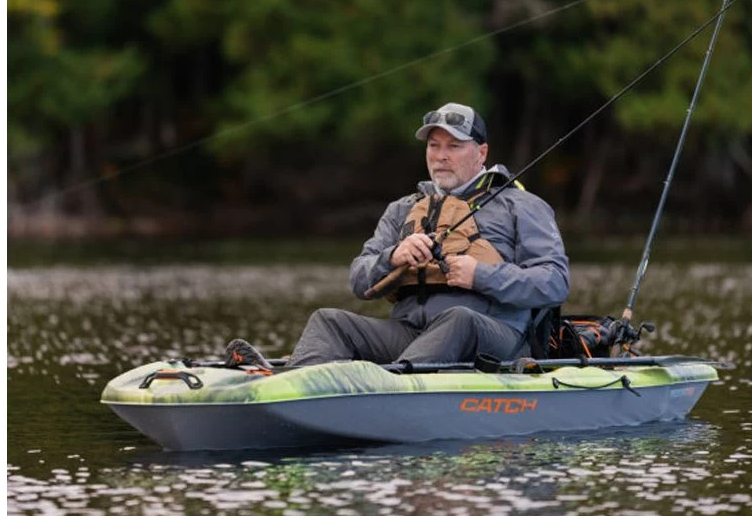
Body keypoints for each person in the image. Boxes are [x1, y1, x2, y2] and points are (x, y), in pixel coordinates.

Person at [226, 103, 569, 371]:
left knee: (458, 319)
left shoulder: (521, 205)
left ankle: (390, 388)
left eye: (454, 146)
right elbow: (359, 279)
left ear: (481, 153)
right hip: (410, 335)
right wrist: (393, 256)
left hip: (496, 339)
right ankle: (294, 383)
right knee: (328, 321)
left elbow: (555, 282)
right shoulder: (403, 208)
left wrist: (481, 275)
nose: (441, 156)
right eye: (434, 145)